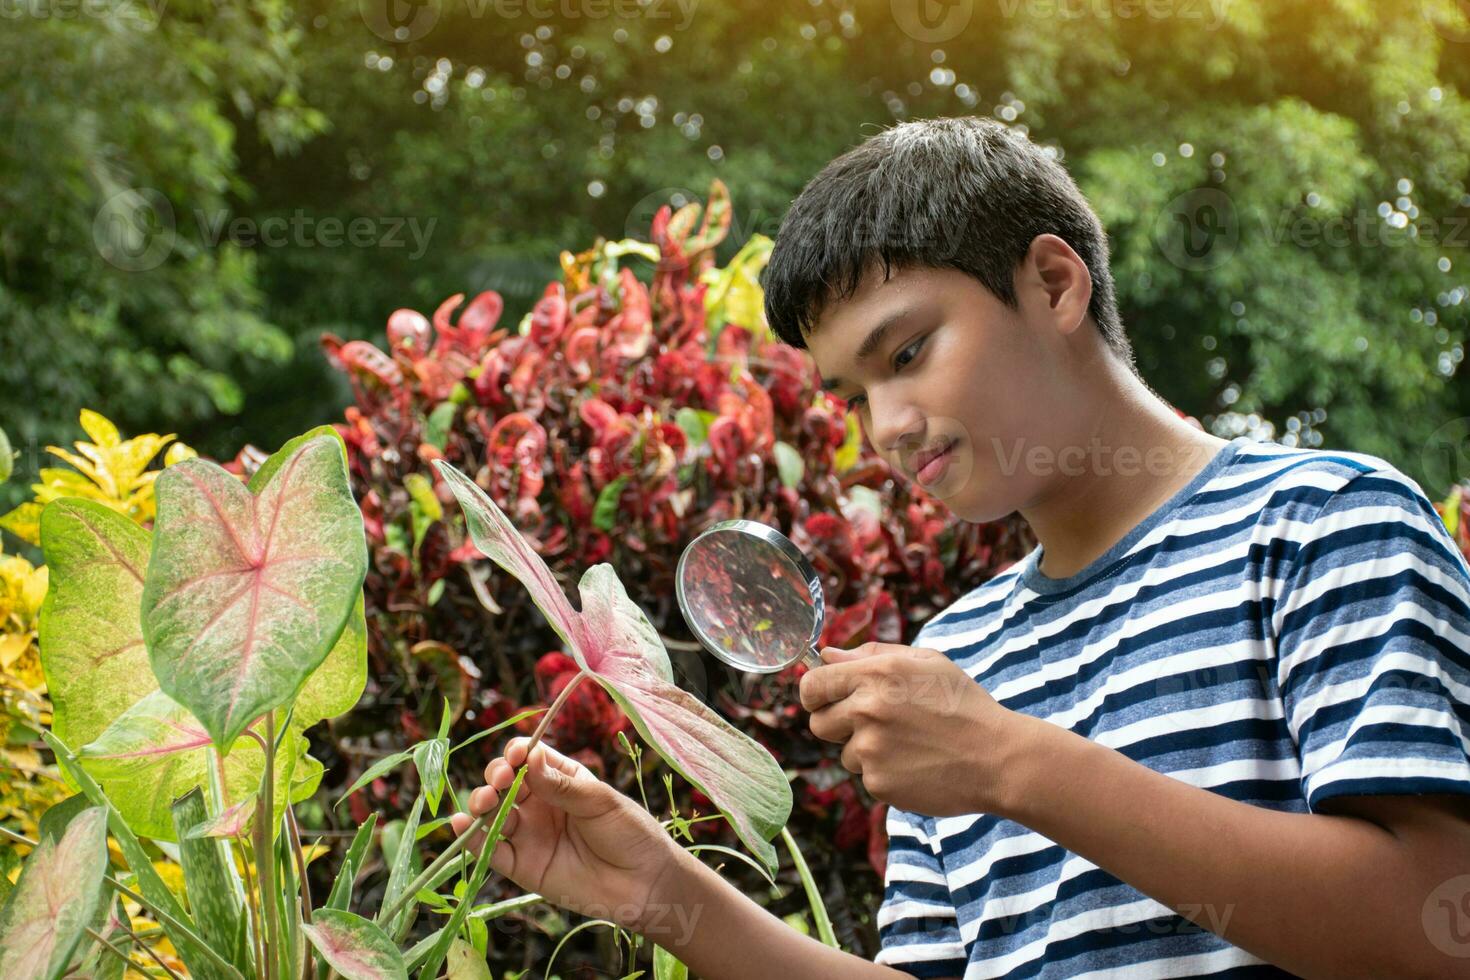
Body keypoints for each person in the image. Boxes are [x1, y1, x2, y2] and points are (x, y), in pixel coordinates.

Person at [450, 116, 1470, 978]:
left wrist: (1008, 760)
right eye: (854, 394)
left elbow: (1437, 917)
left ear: (1055, 284)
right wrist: (667, 892)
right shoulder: (961, 654)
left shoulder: (1322, 528)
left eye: (907, 351)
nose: (885, 425)